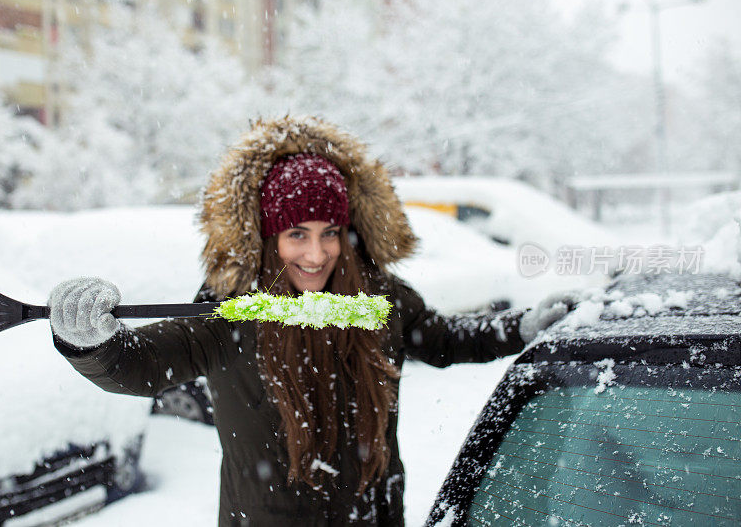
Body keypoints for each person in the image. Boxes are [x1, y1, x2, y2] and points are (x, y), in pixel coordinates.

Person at [48, 116, 571, 526]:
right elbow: (139, 366)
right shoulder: (228, 311)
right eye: (297, 233)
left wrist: (517, 329)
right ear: (270, 237)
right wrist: (89, 344)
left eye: (330, 233)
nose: (317, 254)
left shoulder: (378, 296)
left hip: (375, 514)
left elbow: (440, 338)